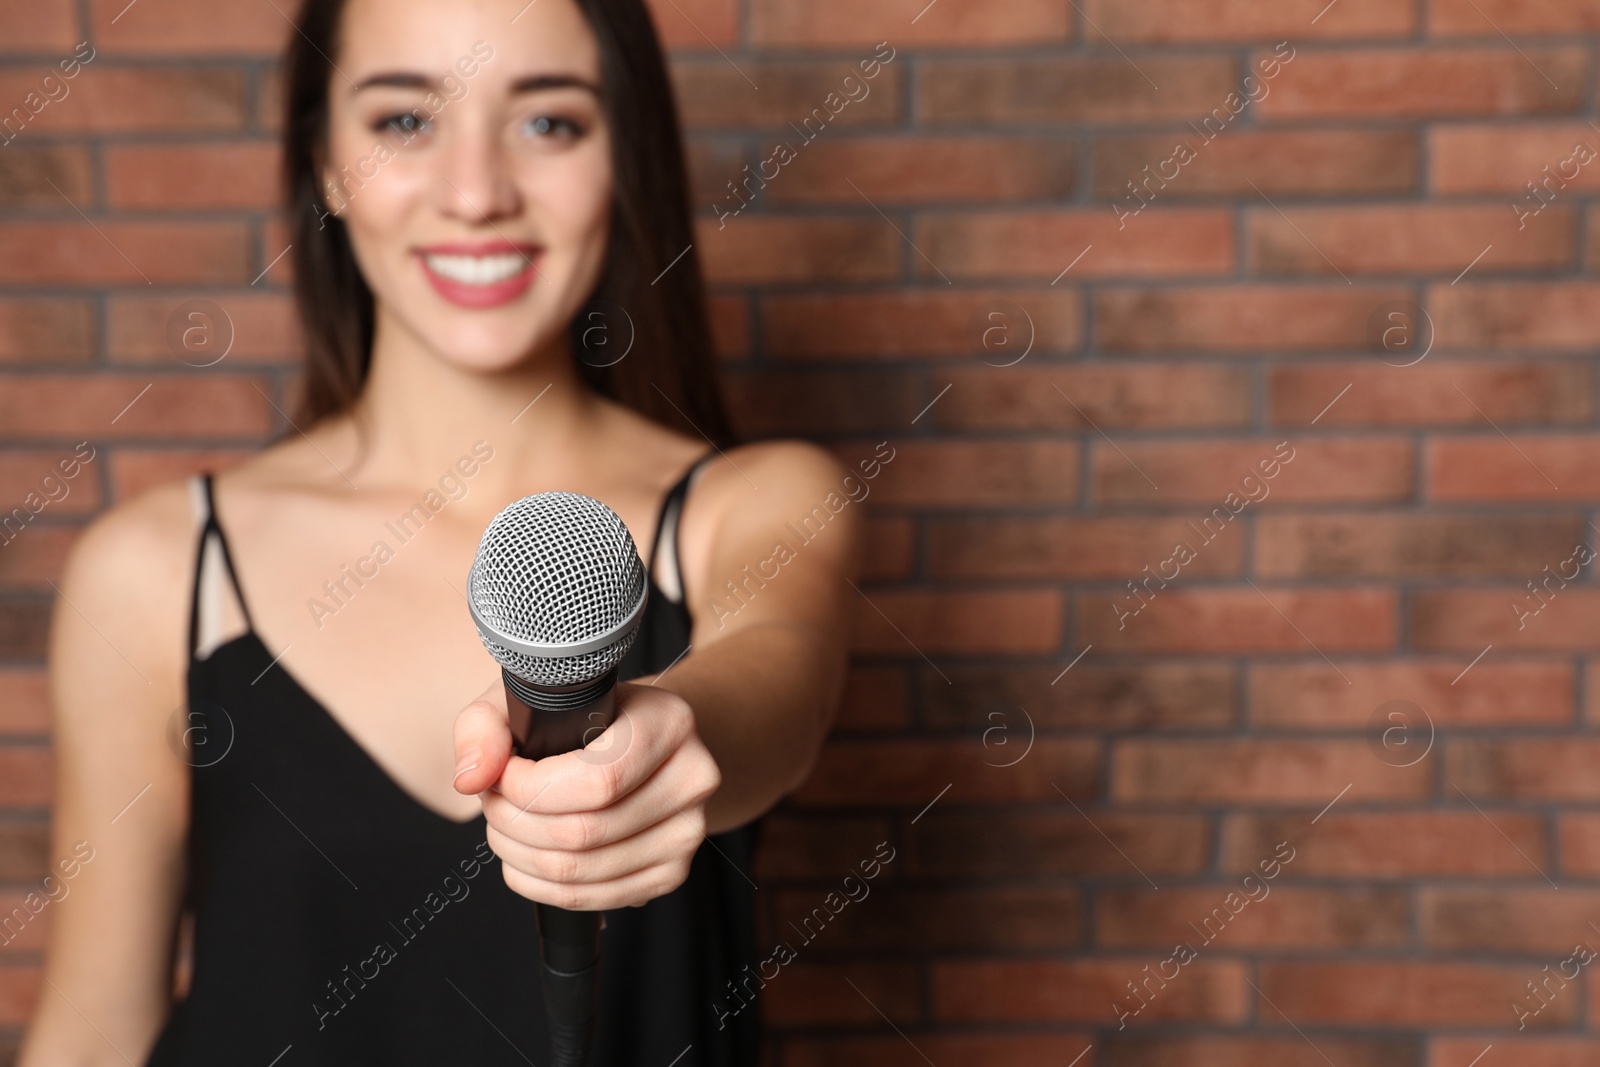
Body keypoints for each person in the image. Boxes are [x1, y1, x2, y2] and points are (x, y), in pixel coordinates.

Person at [17, 0, 860, 1062]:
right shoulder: (156, 571)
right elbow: (93, 1027)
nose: (476, 194)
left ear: (623, 157)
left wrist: (674, 734)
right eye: (404, 122)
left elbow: (777, 682)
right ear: (324, 161)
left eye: (548, 122)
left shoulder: (761, 502)